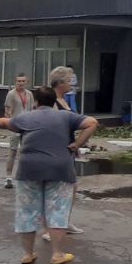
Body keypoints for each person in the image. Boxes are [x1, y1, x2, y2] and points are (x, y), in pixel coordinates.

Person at [0, 87, 97, 264]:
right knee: (57, 211)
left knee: (26, 212)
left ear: (36, 102)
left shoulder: (26, 117)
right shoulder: (66, 116)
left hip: (29, 170)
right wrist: (77, 144)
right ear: (54, 101)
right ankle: (57, 254)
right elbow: (92, 122)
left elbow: (4, 122)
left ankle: (28, 254)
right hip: (60, 169)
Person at [46, 66, 83, 235]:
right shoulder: (51, 101)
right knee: (56, 190)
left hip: (68, 150)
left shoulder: (63, 100)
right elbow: (52, 127)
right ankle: (49, 229)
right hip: (57, 150)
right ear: (59, 83)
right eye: (69, 81)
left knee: (72, 187)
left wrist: (75, 144)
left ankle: (64, 221)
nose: (71, 84)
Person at [2, 72, 34, 188]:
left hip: (27, 127)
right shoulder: (11, 94)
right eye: (18, 81)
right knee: (13, 151)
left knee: (27, 152)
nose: (20, 83)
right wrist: (12, 124)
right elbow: (7, 111)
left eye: (23, 81)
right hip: (15, 127)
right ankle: (8, 177)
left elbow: (31, 110)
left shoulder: (29, 94)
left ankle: (26, 177)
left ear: (26, 82)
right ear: (16, 82)